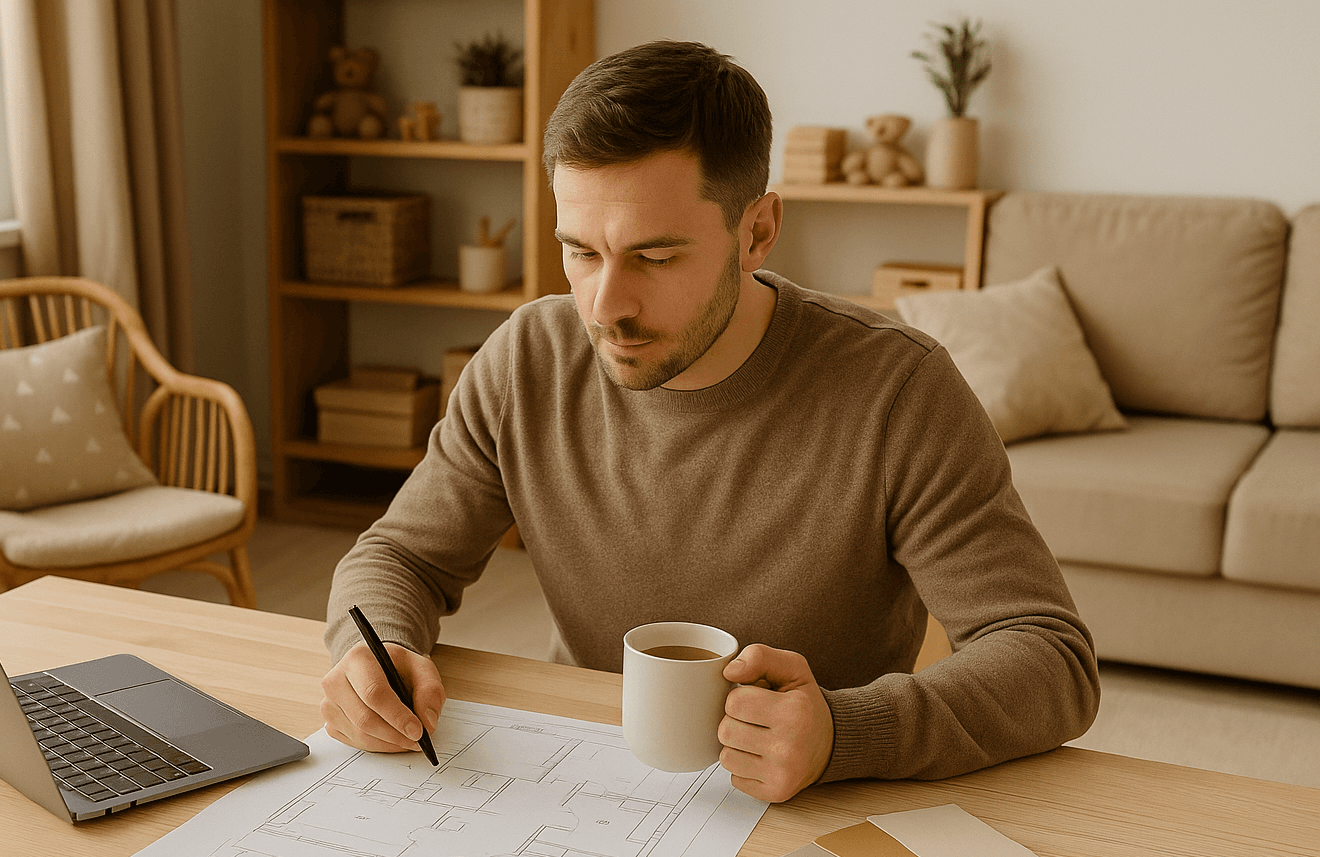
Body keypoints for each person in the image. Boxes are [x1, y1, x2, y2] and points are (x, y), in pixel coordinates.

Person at [320, 40, 1099, 803]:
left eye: (654, 258)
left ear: (757, 232)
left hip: (811, 804)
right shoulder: (529, 356)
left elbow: (1048, 658)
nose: (604, 307)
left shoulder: (899, 390)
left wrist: (848, 731)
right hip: (587, 781)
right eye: (580, 251)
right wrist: (375, 646)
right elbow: (401, 557)